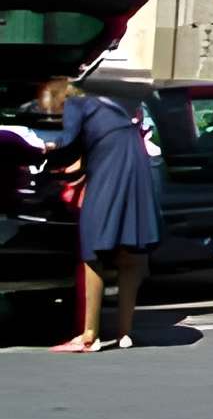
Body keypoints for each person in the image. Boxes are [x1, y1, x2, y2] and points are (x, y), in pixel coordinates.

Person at [36, 74, 160, 351]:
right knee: (130, 257)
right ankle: (125, 333)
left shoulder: (76, 106)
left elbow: (67, 142)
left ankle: (89, 335)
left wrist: (42, 147)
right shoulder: (108, 105)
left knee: (93, 250)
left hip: (111, 173)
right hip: (138, 170)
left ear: (57, 97)